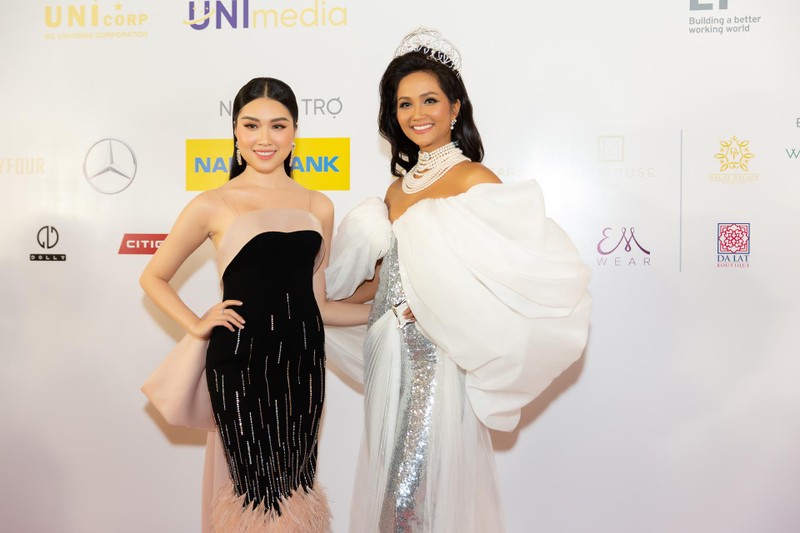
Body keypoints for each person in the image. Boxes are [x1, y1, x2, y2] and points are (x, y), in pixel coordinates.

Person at [324, 29, 593, 532]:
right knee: (393, 489)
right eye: (404, 104)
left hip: (435, 359)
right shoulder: (395, 191)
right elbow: (382, 282)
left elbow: (513, 278)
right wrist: (311, 295)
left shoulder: (474, 180)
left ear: (455, 107)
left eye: (429, 100)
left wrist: (435, 309)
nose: (417, 113)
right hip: (385, 354)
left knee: (411, 499)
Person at [140, 77, 369, 532]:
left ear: (295, 132)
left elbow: (319, 305)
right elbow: (153, 277)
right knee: (253, 493)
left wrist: (386, 310)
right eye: (251, 125)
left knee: (294, 487)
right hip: (240, 362)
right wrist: (198, 322)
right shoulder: (213, 203)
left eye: (278, 126)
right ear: (235, 132)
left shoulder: (318, 205)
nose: (265, 138)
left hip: (302, 363)